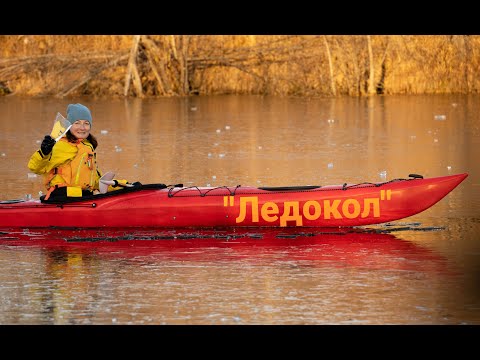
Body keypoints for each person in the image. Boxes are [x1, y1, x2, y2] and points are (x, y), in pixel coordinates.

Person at [28, 103, 138, 202]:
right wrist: (44, 153)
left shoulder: (87, 148)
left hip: (83, 197)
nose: (82, 127)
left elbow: (97, 182)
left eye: (86, 123)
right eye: (77, 123)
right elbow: (35, 168)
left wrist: (126, 185)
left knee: (90, 194)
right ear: (69, 126)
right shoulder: (61, 145)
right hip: (62, 198)